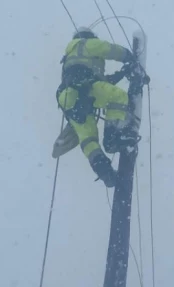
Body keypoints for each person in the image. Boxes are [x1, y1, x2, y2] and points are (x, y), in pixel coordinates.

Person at [54, 27, 140, 187]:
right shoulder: (86, 44)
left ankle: (104, 170)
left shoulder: (69, 56)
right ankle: (111, 137)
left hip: (68, 98)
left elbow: (96, 82)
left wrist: (120, 75)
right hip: (85, 91)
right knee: (118, 97)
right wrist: (130, 57)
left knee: (88, 138)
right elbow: (110, 49)